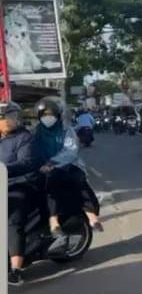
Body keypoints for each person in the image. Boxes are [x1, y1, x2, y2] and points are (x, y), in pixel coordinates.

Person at [33, 98, 104, 241]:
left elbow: (70, 151)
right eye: (44, 115)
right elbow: (30, 150)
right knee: (49, 185)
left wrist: (52, 162)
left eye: (51, 115)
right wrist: (40, 165)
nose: (48, 118)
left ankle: (91, 216)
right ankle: (53, 221)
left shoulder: (66, 130)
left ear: (57, 115)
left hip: (68, 164)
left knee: (78, 180)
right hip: (43, 168)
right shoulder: (35, 132)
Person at [1, 102, 41, 286]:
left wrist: (3, 168)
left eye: (13, 116)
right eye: (8, 116)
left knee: (12, 218)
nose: (11, 120)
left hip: (21, 183)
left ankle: (16, 270)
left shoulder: (25, 137)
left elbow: (26, 163)